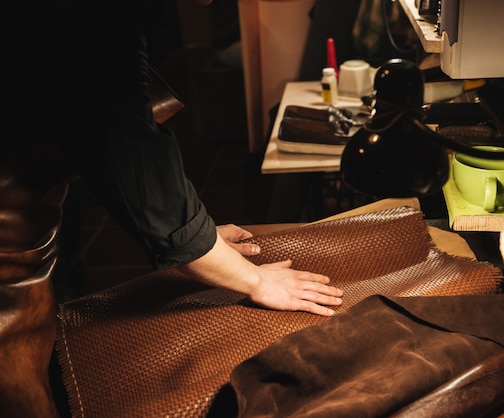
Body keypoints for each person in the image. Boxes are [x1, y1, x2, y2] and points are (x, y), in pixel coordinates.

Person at [0, 1, 342, 416]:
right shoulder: (92, 15)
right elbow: (129, 149)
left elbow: (98, 139)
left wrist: (201, 234)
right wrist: (253, 280)